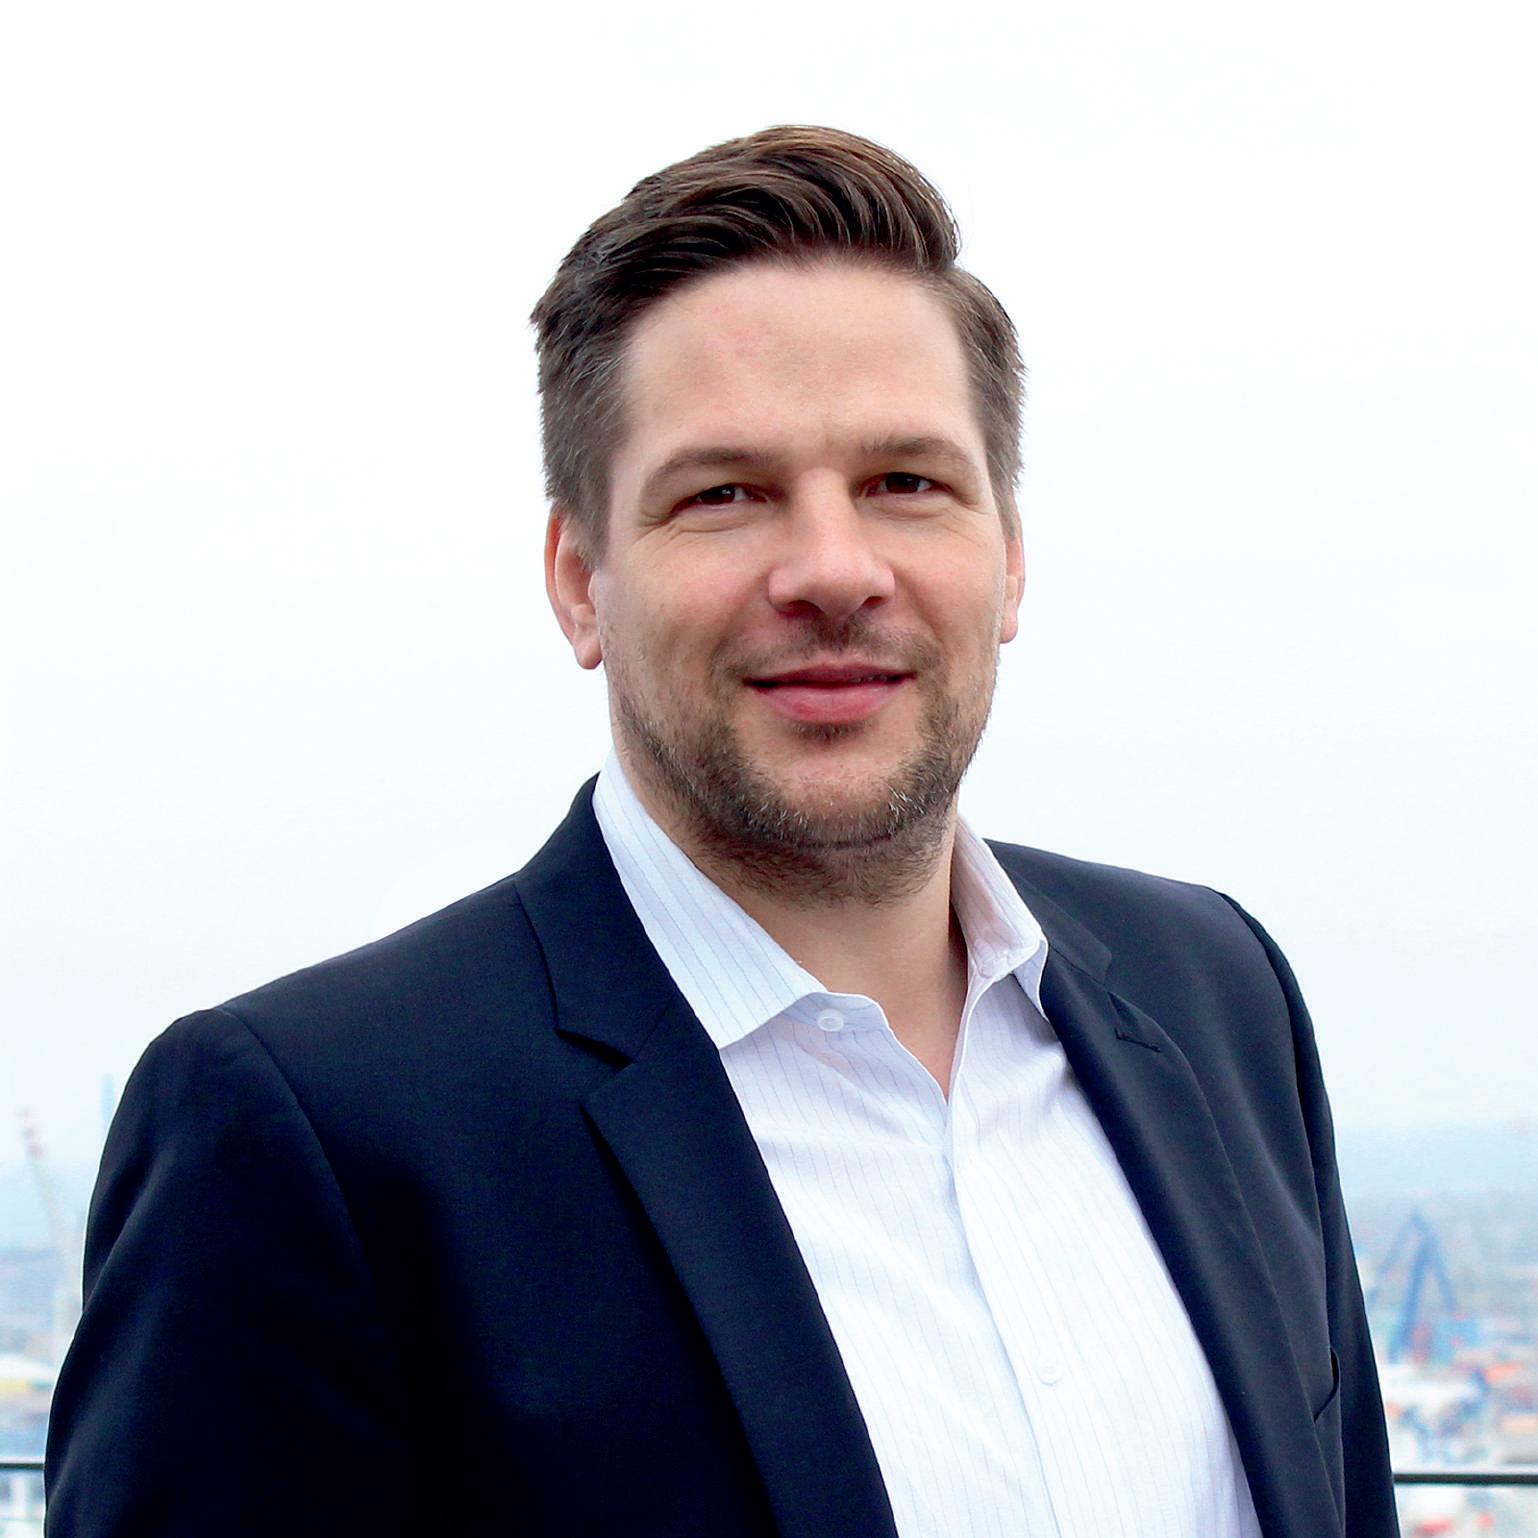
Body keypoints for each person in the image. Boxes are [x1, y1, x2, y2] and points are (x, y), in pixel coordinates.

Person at [44, 125, 1395, 1537]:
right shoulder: (314, 1133)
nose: (833, 571)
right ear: (580, 579)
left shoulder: (1215, 993)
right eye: (725, 494)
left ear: (1008, 558)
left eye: (906, 482)